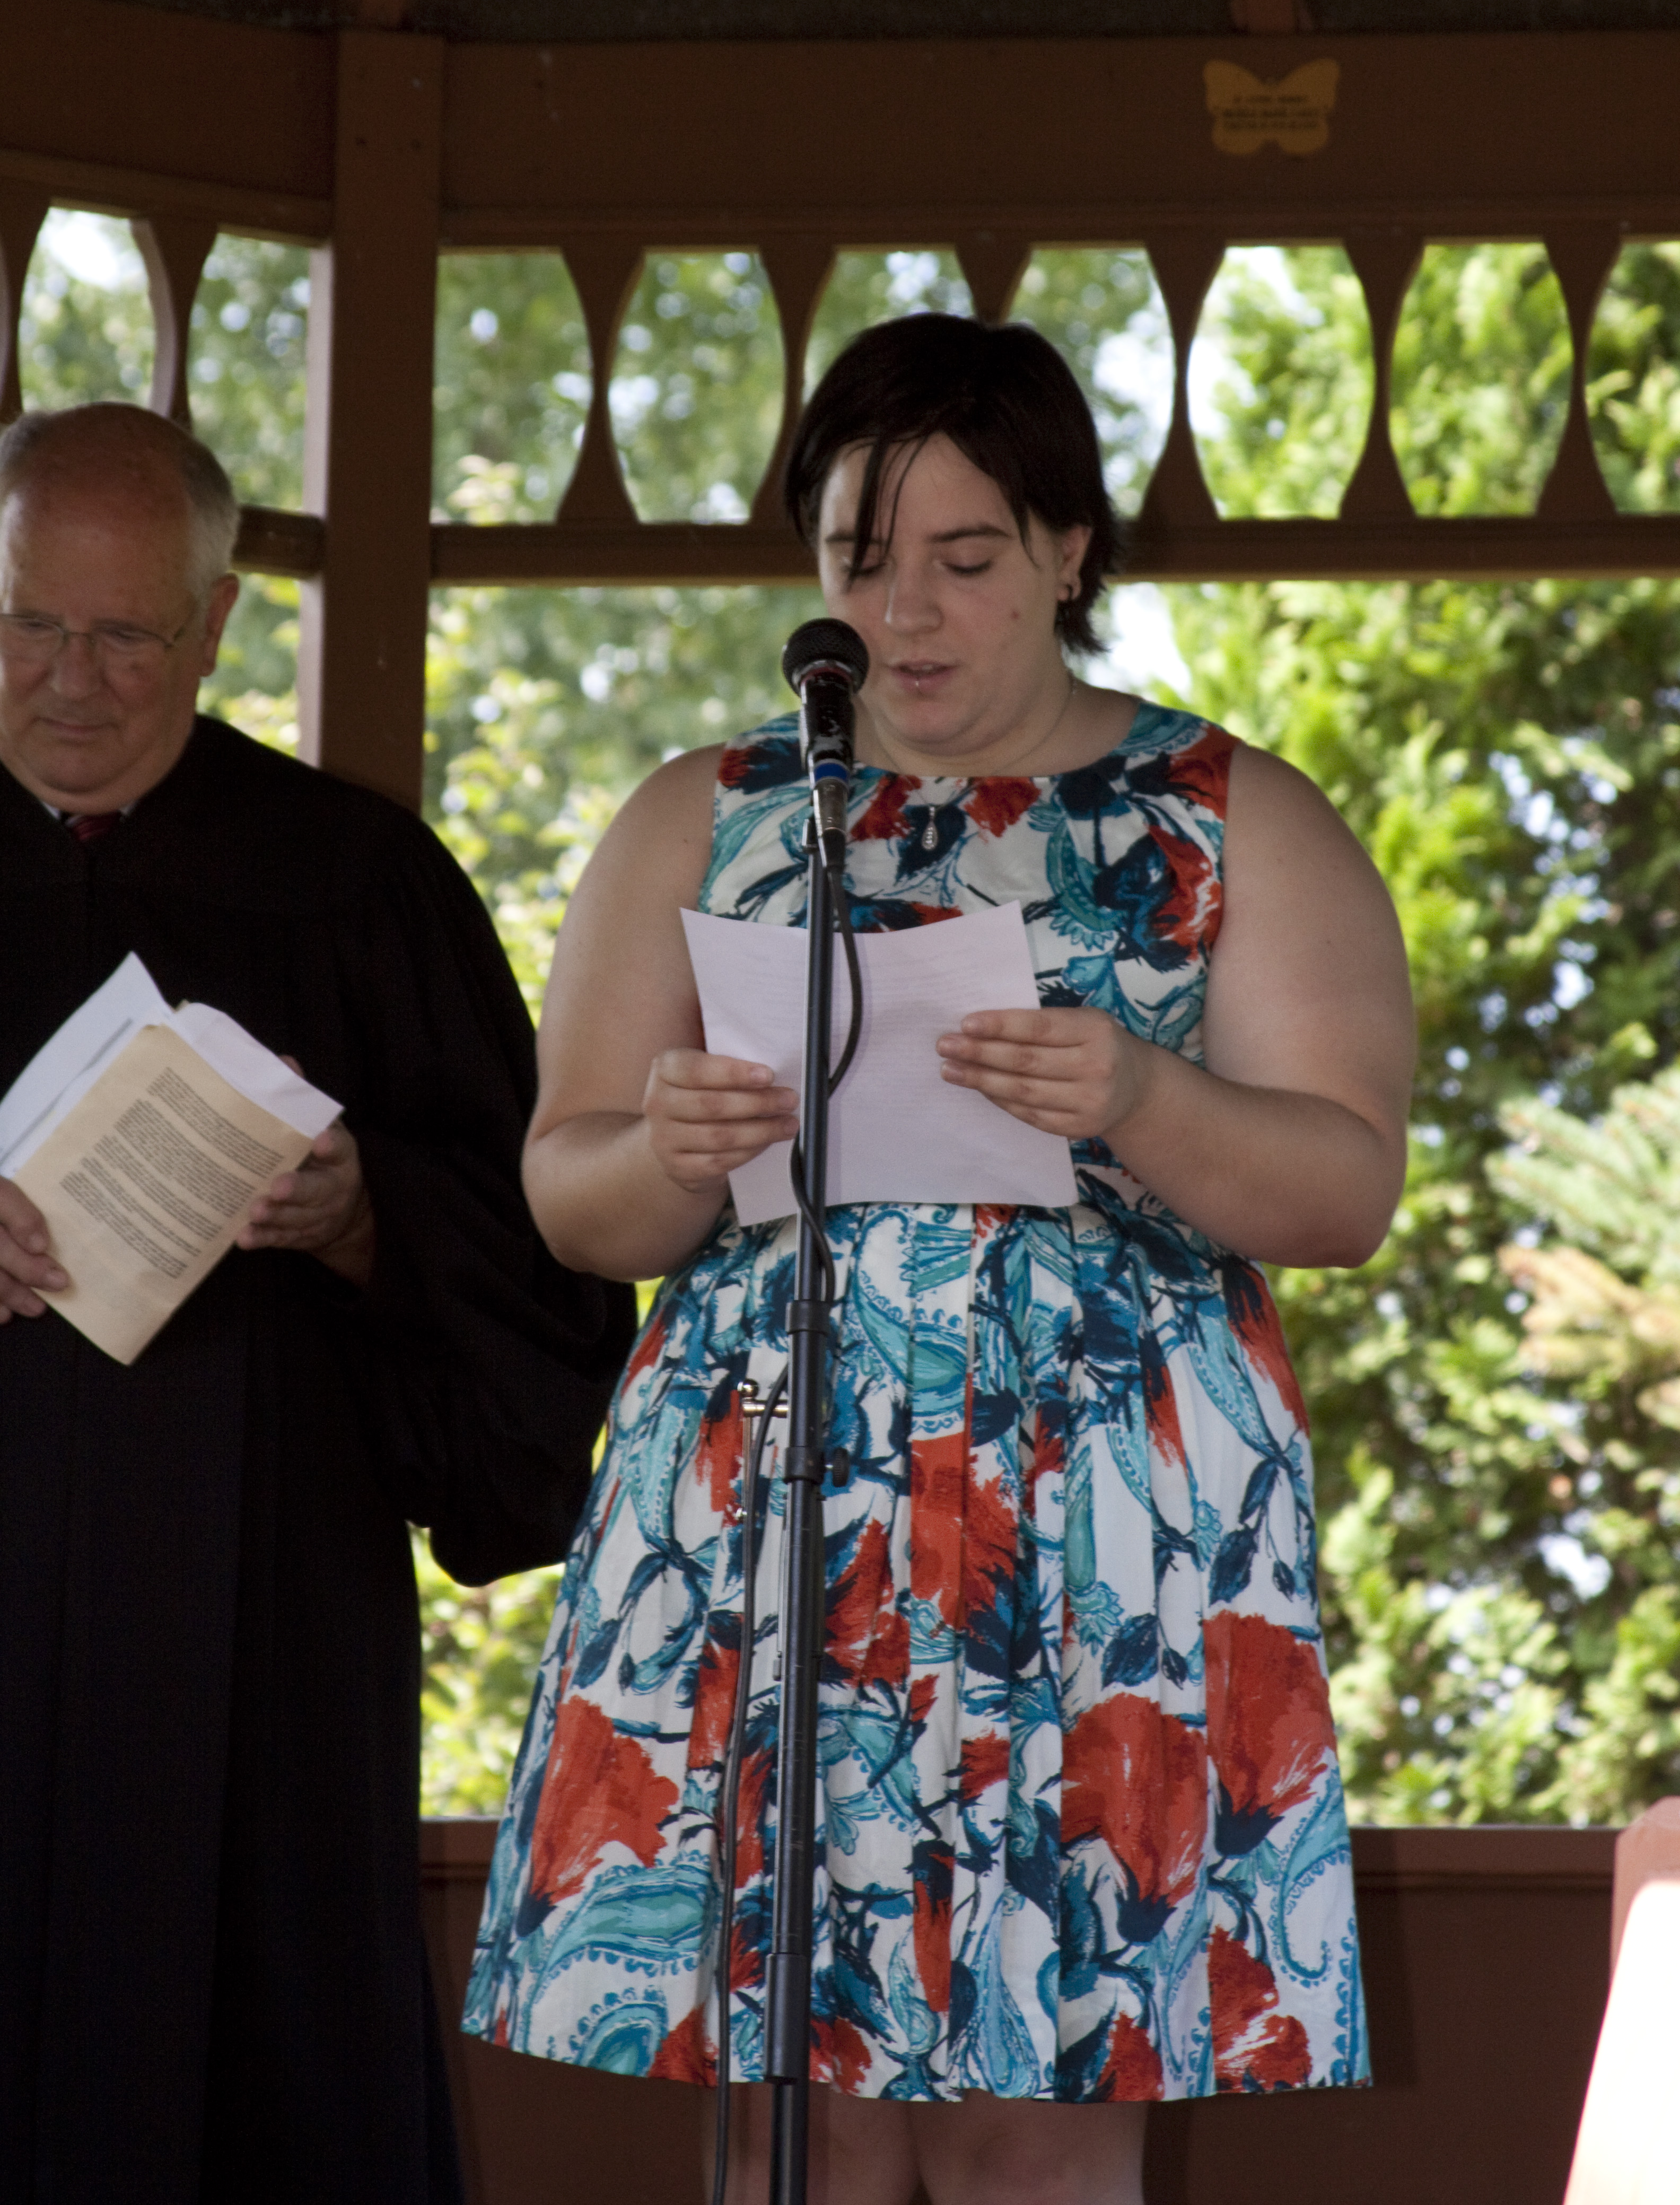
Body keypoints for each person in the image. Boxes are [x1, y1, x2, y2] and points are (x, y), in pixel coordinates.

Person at [464, 316, 1415, 2205]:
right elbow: (571, 1201)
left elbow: (1344, 1187)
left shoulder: (1234, 817)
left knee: (1033, 2123)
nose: (904, 612)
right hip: (775, 1523)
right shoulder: (706, 815)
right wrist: (669, 1152)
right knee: (792, 2119)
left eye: (966, 558)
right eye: (859, 558)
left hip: (1099, 1538)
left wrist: (1142, 1094)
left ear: (1070, 550)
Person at [0, 402, 634, 2205]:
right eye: (29, 623)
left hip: (257, 1642)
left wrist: (373, 1221)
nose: (70, 679)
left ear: (216, 623)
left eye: (127, 636)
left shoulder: (355, 885)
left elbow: (549, 1254)